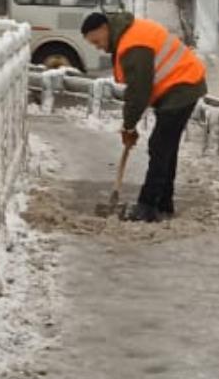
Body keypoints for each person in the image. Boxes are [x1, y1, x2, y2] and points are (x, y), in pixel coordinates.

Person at [81, 12, 207, 222]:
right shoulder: (127, 34)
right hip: (183, 84)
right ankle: (164, 203)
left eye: (97, 41)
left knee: (160, 146)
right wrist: (129, 126)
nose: (98, 47)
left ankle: (147, 206)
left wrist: (129, 126)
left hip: (181, 87)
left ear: (105, 28)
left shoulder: (133, 45)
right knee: (166, 147)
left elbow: (139, 92)